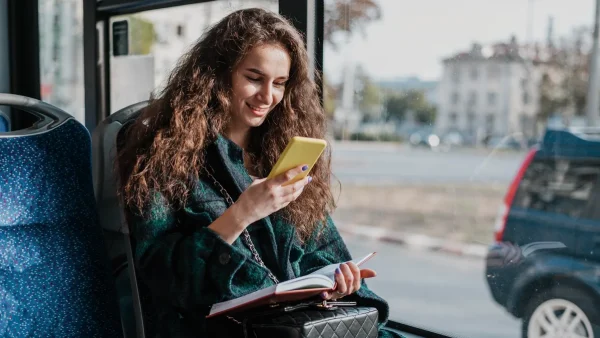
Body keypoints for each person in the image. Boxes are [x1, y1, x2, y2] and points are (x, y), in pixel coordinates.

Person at [115, 8, 402, 338]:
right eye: (254, 78)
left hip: (298, 324)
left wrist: (336, 285)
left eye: (279, 84)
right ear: (219, 74)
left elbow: (323, 254)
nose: (268, 97)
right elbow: (161, 277)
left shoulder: (283, 154)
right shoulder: (163, 156)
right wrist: (243, 213)